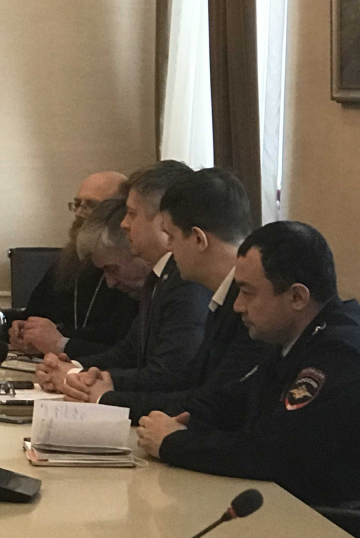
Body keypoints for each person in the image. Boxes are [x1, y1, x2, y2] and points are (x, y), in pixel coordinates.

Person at [137, 221, 360, 508]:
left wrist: (172, 443)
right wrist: (188, 419)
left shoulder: (341, 352)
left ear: (297, 297)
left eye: (248, 292)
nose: (237, 306)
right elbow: (236, 400)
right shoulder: (293, 338)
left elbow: (273, 453)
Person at [63, 169, 275, 419]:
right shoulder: (222, 295)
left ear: (198, 239)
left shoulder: (244, 304)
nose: (170, 249)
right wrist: (105, 382)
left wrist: (105, 397)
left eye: (172, 237)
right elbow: (193, 384)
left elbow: (212, 401)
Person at [36, 160, 210, 393]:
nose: (124, 223)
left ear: (164, 221)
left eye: (131, 213)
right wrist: (75, 368)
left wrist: (74, 377)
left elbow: (169, 374)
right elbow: (128, 353)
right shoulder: (161, 276)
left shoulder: (187, 281)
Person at [9, 171, 139, 357]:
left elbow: (121, 345)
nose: (79, 213)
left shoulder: (133, 276)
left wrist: (57, 341)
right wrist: (23, 330)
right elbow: (35, 313)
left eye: (91, 205)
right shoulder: (67, 263)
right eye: (78, 204)